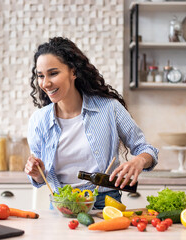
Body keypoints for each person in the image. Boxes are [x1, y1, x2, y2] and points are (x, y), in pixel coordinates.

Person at [24, 37, 158, 209]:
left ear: (73, 72)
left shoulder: (109, 109)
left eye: (53, 73)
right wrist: (36, 173)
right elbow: (41, 178)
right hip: (62, 205)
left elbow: (146, 150)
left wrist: (139, 161)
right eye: (40, 76)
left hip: (105, 204)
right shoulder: (39, 120)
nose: (45, 83)